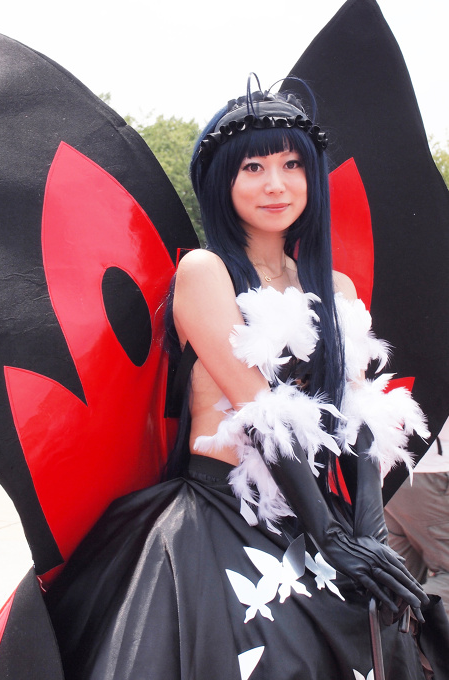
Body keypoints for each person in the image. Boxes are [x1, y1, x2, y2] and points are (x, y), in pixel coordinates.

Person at [45, 83, 439, 680]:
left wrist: (370, 534)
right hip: (216, 521)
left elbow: (360, 416)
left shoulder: (335, 287)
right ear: (222, 182)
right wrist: (332, 539)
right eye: (253, 168)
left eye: (292, 165)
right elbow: (263, 411)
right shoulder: (205, 272)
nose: (275, 184)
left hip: (313, 517)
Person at [385, 415, 449, 617]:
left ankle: (380, 628)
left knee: (399, 578)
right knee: (400, 579)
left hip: (393, 470)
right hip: (432, 471)